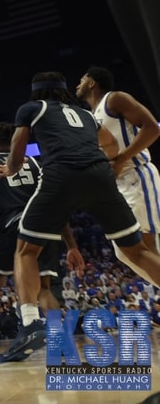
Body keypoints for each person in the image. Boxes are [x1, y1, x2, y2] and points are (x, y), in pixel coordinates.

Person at [0, 71, 160, 361]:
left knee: (26, 250)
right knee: (135, 251)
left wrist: (11, 167)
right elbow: (110, 144)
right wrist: (106, 163)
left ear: (36, 91)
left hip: (60, 175)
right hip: (99, 174)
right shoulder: (86, 115)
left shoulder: (31, 108)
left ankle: (30, 323)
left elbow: (18, 148)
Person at [0, 122, 84, 360]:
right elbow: (55, 204)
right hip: (45, 225)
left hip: (16, 225)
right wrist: (71, 245)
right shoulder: (35, 163)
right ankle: (61, 342)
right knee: (43, 288)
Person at [76, 66, 160, 286]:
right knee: (125, 253)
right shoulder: (90, 118)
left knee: (144, 246)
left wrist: (122, 158)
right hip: (119, 185)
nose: (78, 83)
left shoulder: (114, 99)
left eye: (82, 78)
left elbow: (152, 128)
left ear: (92, 82)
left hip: (137, 174)